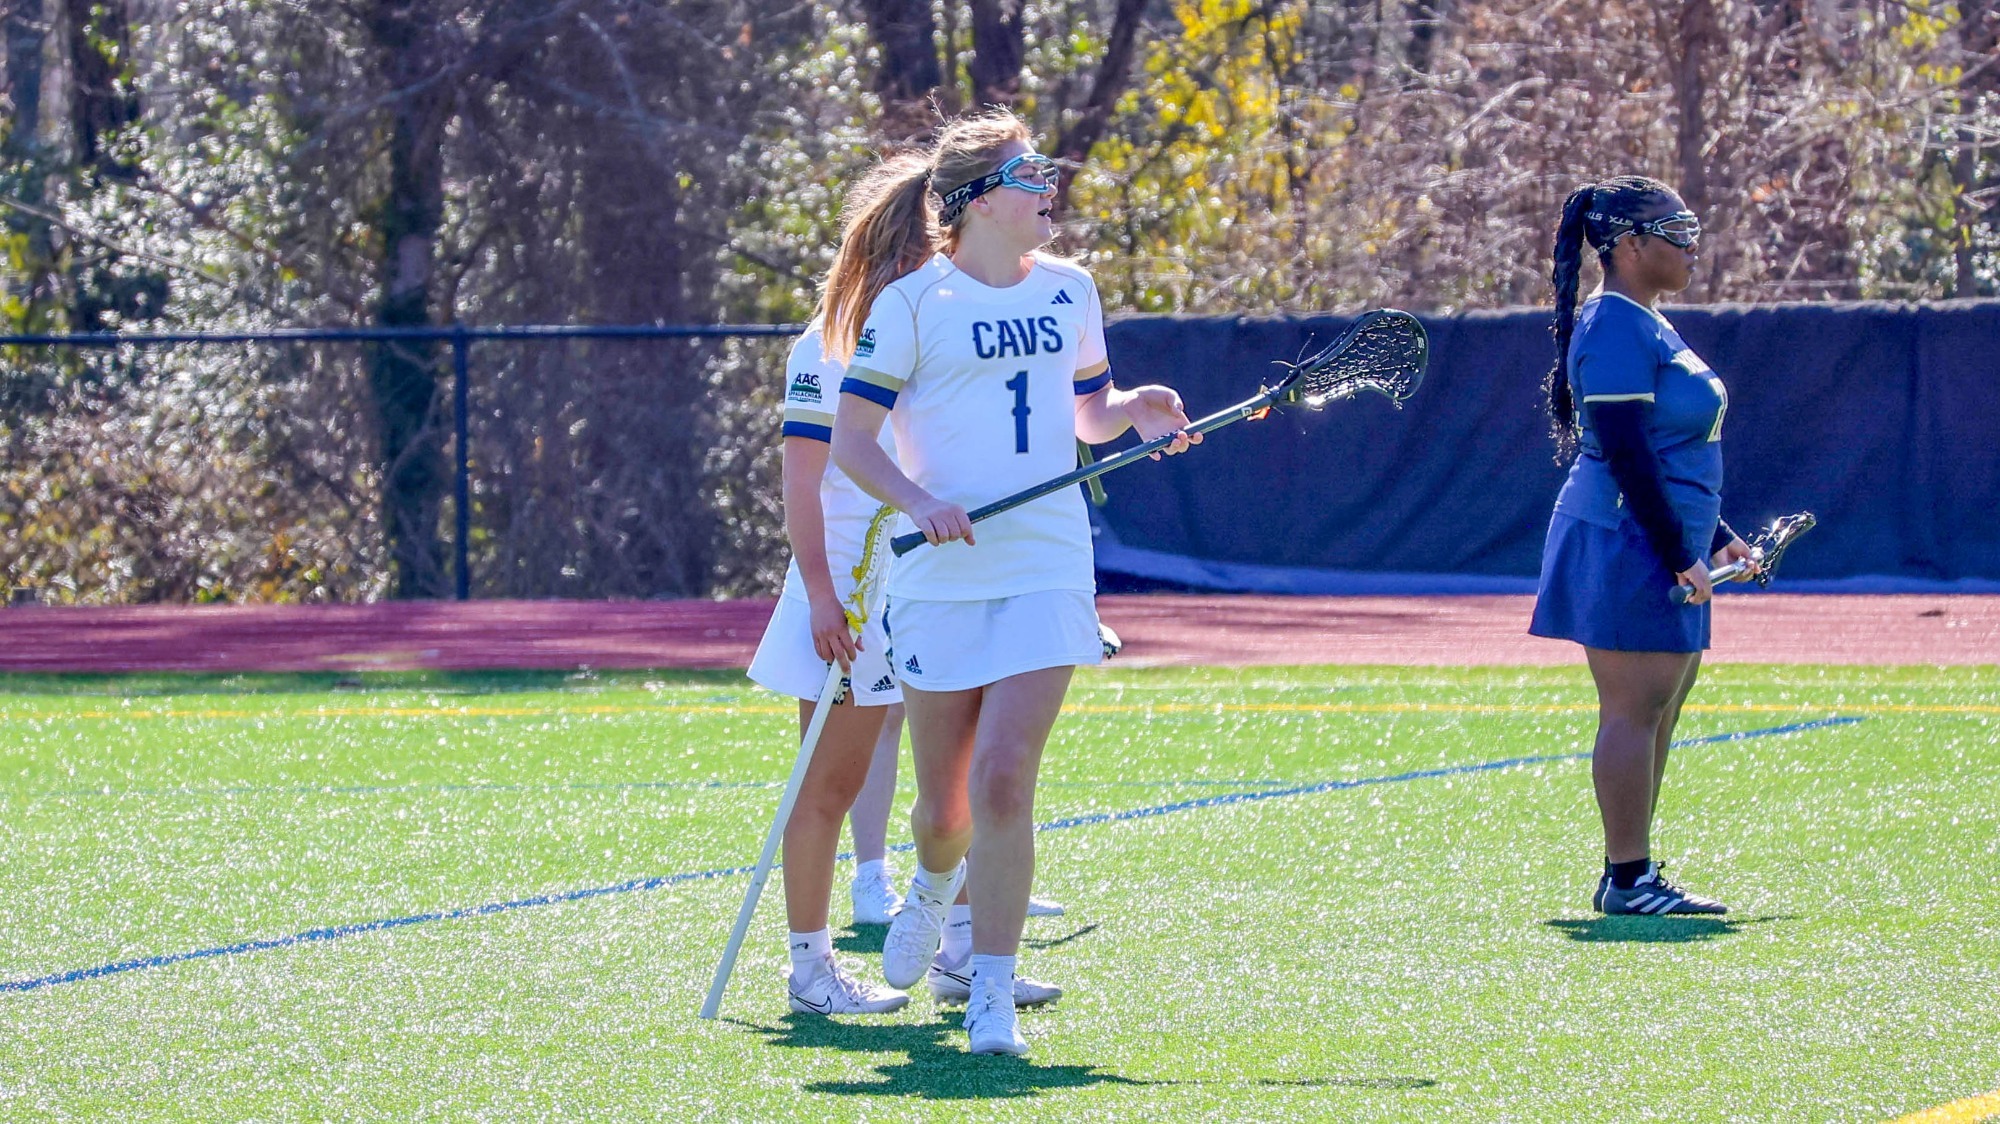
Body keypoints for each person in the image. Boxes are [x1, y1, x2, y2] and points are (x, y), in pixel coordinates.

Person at [828, 109, 1197, 1055]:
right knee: (944, 807)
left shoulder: (1072, 290)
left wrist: (1137, 408)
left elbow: (1089, 415)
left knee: (1002, 783)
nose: (1050, 191)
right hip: (943, 580)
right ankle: (931, 885)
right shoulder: (910, 305)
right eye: (1032, 176)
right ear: (981, 199)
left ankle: (988, 991)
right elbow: (856, 443)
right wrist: (918, 502)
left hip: (1045, 565)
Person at [1527, 176, 1756, 916]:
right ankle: (1627, 878)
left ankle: (1637, 872)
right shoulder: (1616, 324)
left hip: (1659, 536)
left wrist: (1716, 539)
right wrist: (1678, 551)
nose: (1691, 245)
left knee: (1662, 702)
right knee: (1634, 705)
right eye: (1675, 231)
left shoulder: (1646, 320)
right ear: (1629, 246)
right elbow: (1626, 452)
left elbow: (1667, 447)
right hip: (1627, 538)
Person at [742, 183, 937, 1013]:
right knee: (830, 783)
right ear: (897, 256)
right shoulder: (823, 350)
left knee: (951, 775)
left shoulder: (928, 335)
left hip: (922, 585)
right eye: (930, 253)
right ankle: (811, 970)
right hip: (851, 592)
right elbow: (804, 489)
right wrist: (823, 597)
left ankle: (965, 957)